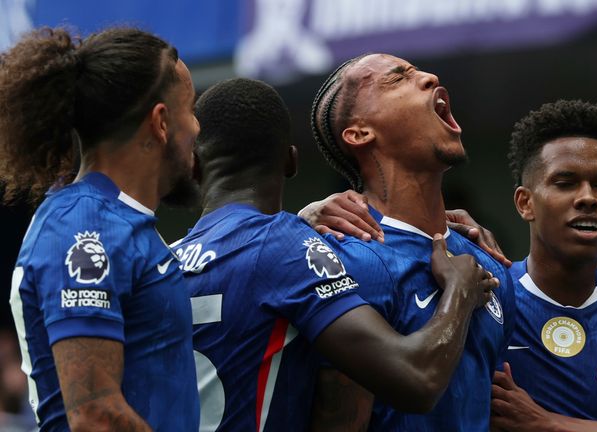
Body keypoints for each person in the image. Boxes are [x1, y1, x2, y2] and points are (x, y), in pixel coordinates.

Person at [308, 100, 597, 431]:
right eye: (566, 182)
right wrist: (309, 217)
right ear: (525, 203)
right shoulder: (489, 293)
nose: (588, 197)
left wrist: (548, 425)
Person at [176, 77, 498, 431]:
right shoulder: (288, 248)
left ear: (192, 166)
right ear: (291, 161)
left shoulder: (164, 259)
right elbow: (416, 380)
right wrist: (459, 291)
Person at [1, 27, 200, 431]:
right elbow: (96, 418)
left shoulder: (119, 224)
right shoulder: (84, 226)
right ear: (161, 122)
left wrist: (301, 227)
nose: (197, 127)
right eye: (191, 109)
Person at [303, 53, 516, 431]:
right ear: (359, 133)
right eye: (398, 78)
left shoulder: (488, 262)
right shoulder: (347, 259)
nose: (431, 77)